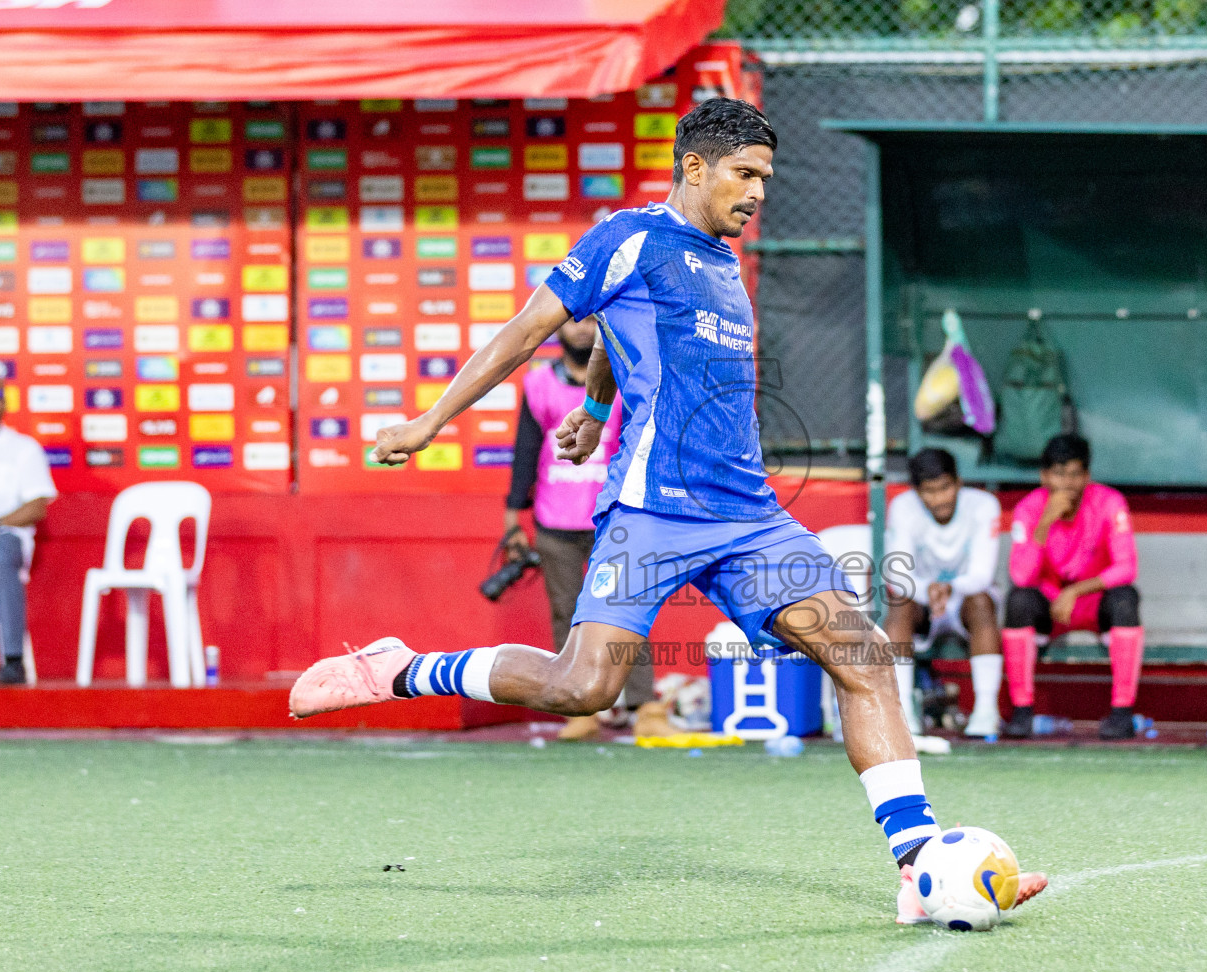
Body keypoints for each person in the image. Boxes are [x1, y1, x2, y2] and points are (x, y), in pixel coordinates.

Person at [286, 98, 1044, 921]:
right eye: (744, 175)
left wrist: (594, 403)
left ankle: (921, 861)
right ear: (694, 168)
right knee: (584, 689)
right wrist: (432, 421)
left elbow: (628, 332)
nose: (757, 193)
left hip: (750, 515)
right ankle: (402, 670)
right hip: (652, 513)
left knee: (860, 658)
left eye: (766, 178)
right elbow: (528, 329)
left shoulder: (721, 261)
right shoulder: (629, 236)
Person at [505, 315, 672, 742]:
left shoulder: (623, 378)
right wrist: (512, 516)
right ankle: (576, 703)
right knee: (566, 614)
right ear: (557, 331)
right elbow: (526, 448)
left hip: (616, 516)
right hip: (553, 518)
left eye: (589, 323)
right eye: (572, 323)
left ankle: (644, 705)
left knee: (628, 611)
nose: (580, 330)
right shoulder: (539, 383)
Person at [1003, 434, 1142, 740]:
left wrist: (1076, 591)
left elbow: (1127, 568)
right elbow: (1021, 577)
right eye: (1058, 474)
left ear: (1087, 476)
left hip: (1092, 602)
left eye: (1075, 474)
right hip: (1050, 607)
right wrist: (1044, 524)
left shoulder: (1109, 502)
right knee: (1018, 601)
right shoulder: (1029, 508)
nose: (1066, 483)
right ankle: (1022, 712)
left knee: (1125, 599)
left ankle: (1122, 714)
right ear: (1044, 476)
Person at [882, 447, 1004, 740]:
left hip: (966, 600)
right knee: (898, 604)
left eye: (945, 487)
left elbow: (982, 575)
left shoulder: (985, 505)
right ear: (917, 492)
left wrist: (950, 588)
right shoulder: (902, 507)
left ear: (958, 482)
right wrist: (928, 591)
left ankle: (986, 711)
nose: (939, 498)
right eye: (929, 491)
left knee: (982, 602)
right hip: (922, 603)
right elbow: (897, 576)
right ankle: (903, 715)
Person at [0, 376, 56, 684]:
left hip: (4, 535)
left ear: (4, 402)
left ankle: (14, 661)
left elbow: (36, 507)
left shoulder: (22, 448)